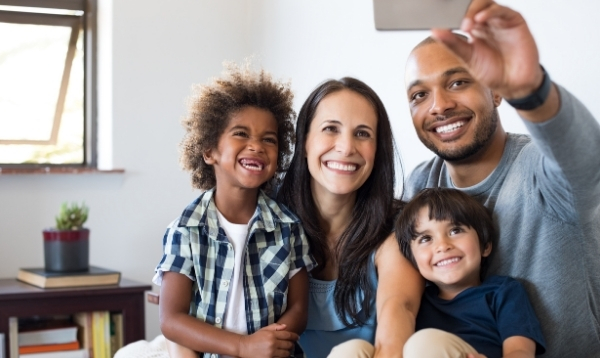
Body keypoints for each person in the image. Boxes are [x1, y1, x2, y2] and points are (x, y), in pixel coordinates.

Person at [403, 1, 600, 356]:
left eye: (458, 81)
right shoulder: (419, 186)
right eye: (420, 95)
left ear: (495, 91)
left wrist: (530, 89)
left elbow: (585, 163)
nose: (439, 105)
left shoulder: (539, 171)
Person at [153, 62, 317, 358]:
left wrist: (268, 344)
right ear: (209, 151)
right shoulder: (185, 230)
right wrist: (242, 347)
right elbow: (171, 320)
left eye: (269, 139)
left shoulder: (289, 228)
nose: (256, 146)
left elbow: (299, 309)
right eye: (241, 134)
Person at [277, 77, 423, 358]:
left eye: (363, 134)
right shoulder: (267, 220)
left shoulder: (396, 229)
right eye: (331, 129)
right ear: (304, 140)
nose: (346, 147)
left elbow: (399, 309)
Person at [396, 188, 546, 358]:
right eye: (426, 239)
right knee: (359, 348)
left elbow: (521, 351)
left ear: (485, 246)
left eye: (455, 231)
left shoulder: (503, 291)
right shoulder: (417, 301)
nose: (443, 246)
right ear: (412, 260)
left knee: (423, 343)